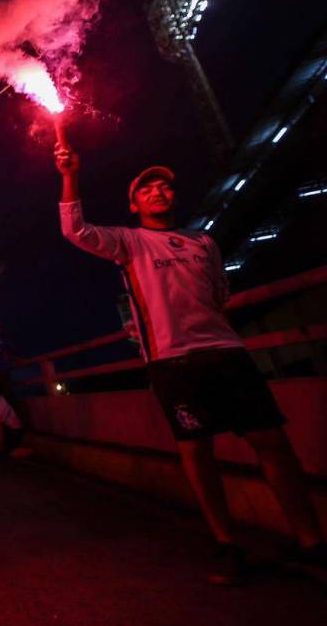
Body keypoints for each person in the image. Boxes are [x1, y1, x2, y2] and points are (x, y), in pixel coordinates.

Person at [55, 146, 326, 584]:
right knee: (198, 453)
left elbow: (220, 294)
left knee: (273, 443)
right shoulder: (129, 242)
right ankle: (226, 543)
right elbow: (76, 230)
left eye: (164, 185)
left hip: (227, 352)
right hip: (173, 361)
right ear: (134, 204)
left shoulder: (204, 243)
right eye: (147, 188)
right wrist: (69, 174)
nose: (158, 191)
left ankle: (311, 539)